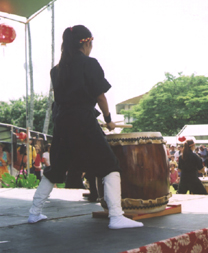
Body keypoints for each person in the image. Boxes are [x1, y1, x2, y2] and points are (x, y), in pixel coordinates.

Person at [27, 25, 143, 229]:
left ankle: (34, 213)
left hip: (62, 124)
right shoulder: (89, 63)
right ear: (87, 42)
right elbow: (100, 96)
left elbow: (65, 100)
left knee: (55, 170)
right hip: (83, 122)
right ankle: (116, 217)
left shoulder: (56, 70)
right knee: (111, 166)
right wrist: (108, 119)